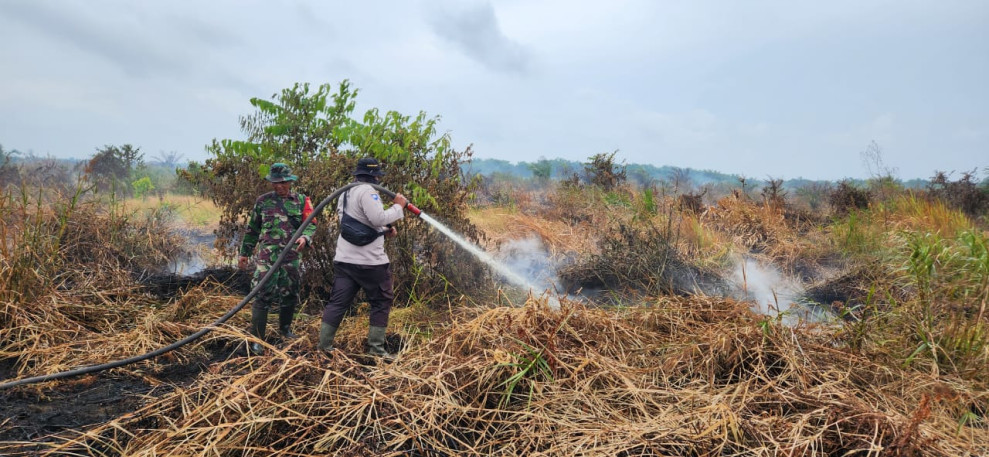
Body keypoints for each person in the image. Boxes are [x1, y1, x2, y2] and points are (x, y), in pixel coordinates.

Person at [318, 157, 410, 360]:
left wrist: (383, 231)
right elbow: (377, 218)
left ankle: (324, 347)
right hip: (370, 263)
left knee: (337, 303)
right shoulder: (368, 191)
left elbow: (357, 223)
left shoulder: (346, 191)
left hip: (344, 259)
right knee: (381, 300)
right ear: (375, 176)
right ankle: (376, 350)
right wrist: (398, 206)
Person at [238, 162, 316, 355]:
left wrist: (305, 237)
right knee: (262, 292)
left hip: (291, 257)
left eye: (282, 182)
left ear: (290, 181)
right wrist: (244, 253)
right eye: (275, 183)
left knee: (290, 292)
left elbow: (311, 223)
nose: (279, 186)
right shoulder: (262, 201)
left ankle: (285, 330)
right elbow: (252, 229)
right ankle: (257, 339)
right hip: (267, 257)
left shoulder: (302, 200)